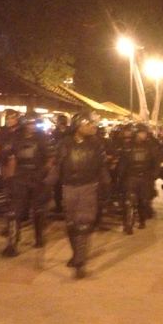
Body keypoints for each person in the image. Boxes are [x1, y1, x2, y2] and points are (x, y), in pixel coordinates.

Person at [46, 110, 108, 279]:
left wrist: (106, 186)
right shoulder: (64, 144)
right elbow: (57, 167)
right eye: (89, 124)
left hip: (89, 187)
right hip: (69, 188)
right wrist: (47, 185)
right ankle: (76, 254)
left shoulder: (97, 144)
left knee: (83, 223)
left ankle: (80, 261)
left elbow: (102, 167)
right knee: (71, 224)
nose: (93, 126)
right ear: (78, 126)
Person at [2, 112, 53, 257]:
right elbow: (11, 158)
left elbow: (50, 159)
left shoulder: (42, 138)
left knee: (38, 210)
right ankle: (12, 243)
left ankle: (39, 237)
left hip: (38, 177)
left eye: (34, 123)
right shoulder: (16, 138)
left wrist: (43, 173)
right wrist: (10, 178)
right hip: (20, 177)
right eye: (30, 123)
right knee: (14, 211)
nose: (33, 126)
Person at [118, 123, 160, 234]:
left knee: (143, 201)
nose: (144, 135)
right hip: (131, 177)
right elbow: (122, 163)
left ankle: (142, 219)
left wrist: (154, 175)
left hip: (145, 177)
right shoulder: (127, 146)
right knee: (129, 201)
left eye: (145, 133)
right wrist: (120, 177)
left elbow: (156, 162)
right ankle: (129, 224)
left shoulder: (150, 146)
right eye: (142, 133)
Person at [50, 114, 70, 215]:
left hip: (67, 162)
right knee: (58, 186)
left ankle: (63, 206)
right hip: (59, 162)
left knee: (64, 185)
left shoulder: (69, 133)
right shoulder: (56, 133)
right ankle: (59, 206)